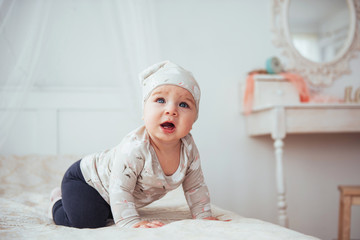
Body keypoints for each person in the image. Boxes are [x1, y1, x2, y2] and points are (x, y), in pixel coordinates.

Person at [49, 60, 219, 229]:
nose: (171, 110)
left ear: (194, 118)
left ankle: (106, 207)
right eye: (160, 100)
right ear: (144, 112)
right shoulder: (135, 147)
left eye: (184, 104)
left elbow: (195, 186)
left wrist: (203, 216)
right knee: (88, 220)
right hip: (86, 180)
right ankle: (57, 201)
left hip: (113, 194)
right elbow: (120, 187)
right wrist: (130, 222)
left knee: (107, 211)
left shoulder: (188, 148)